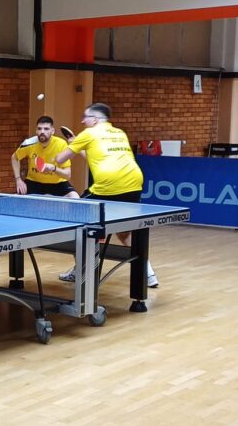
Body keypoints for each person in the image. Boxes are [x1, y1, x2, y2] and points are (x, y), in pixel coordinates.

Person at [53, 102, 159, 288]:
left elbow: (60, 159)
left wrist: (72, 146)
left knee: (78, 225)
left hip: (107, 187)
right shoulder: (120, 133)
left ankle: (82, 270)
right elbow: (96, 158)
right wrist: (79, 146)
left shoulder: (88, 133)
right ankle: (148, 274)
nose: (82, 121)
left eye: (85, 117)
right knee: (124, 233)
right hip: (134, 184)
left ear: (95, 119)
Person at [12, 116, 79, 198]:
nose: (42, 131)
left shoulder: (61, 144)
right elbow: (14, 158)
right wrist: (18, 179)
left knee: (75, 197)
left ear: (52, 131)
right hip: (34, 182)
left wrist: (54, 169)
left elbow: (67, 175)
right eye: (39, 129)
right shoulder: (28, 143)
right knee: (15, 198)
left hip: (57, 183)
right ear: (36, 131)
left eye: (46, 129)